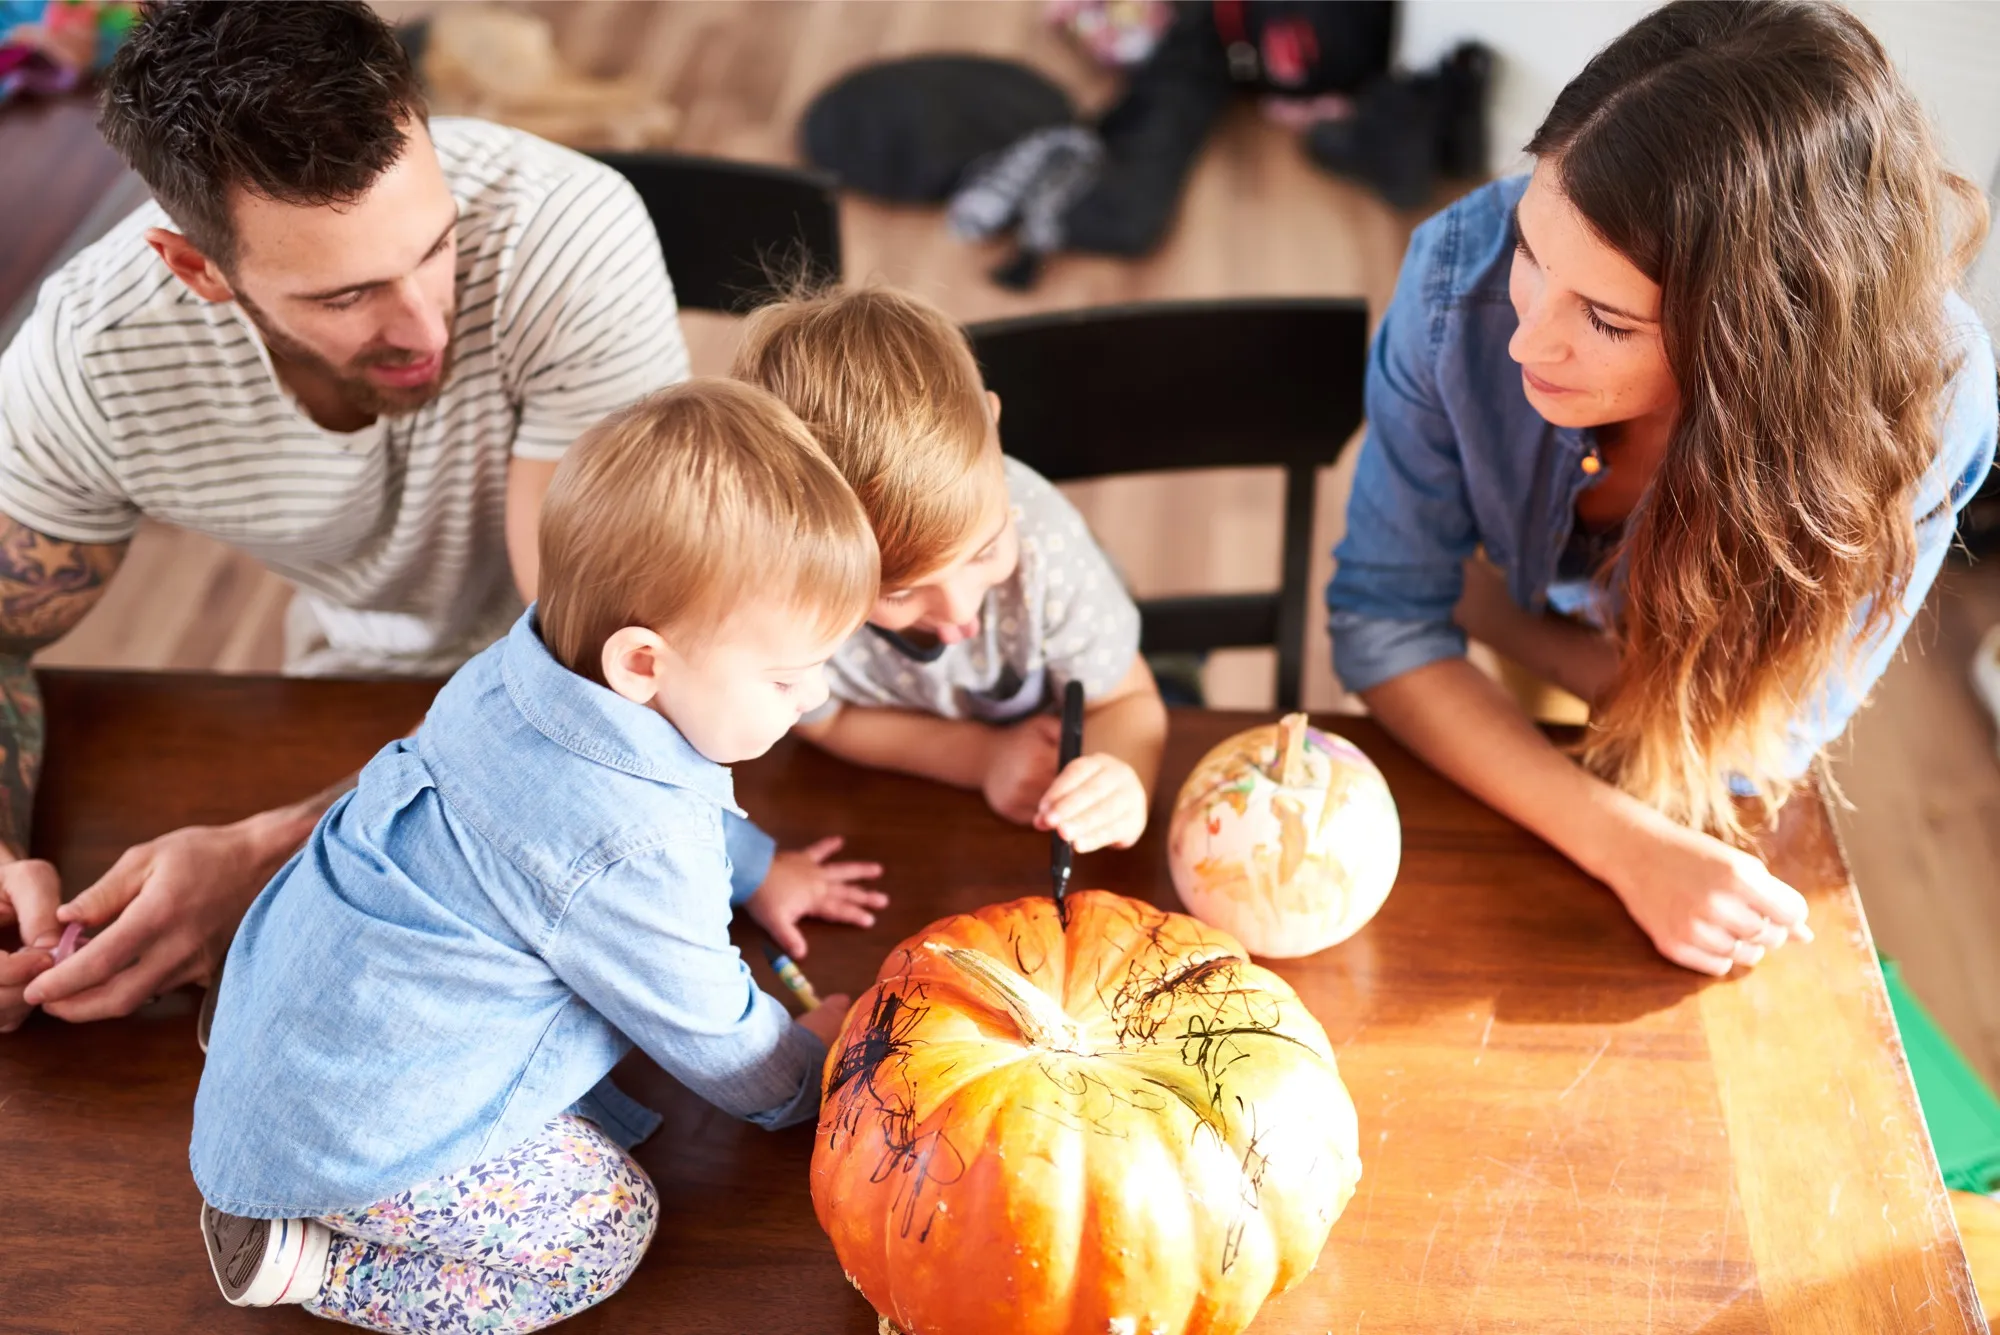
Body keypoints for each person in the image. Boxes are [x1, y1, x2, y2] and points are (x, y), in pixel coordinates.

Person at [0, 1, 874, 1033]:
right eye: (345, 295)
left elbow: (591, 695)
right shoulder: (92, 358)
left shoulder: (562, 236)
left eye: (436, 245)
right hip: (351, 696)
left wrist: (278, 855)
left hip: (634, 714)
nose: (425, 322)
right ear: (198, 270)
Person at [1327, 0, 1996, 977]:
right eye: (1529, 252)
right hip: (1645, 680)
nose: (1520, 340)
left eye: (1604, 319)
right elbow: (1382, 624)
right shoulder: (1454, 276)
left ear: (1755, 348)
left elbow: (1749, 740)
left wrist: (1493, 621)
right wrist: (1621, 841)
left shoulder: (1924, 403)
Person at [190, 378, 870, 1330]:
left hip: (302, 1023)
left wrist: (757, 867)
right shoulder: (630, 844)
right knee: (606, 1227)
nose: (813, 696)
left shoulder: (522, 670)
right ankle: (308, 1257)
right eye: (790, 675)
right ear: (643, 663)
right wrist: (813, 1071)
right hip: (366, 1138)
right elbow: (712, 1029)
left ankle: (287, 1138)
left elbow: (659, 785)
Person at [732, 285, 1169, 854]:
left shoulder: (1046, 546)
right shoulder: (790, 592)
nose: (960, 613)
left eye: (985, 551)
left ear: (993, 428)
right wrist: (981, 758)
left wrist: (1121, 781)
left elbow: (1127, 702)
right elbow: (828, 721)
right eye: (903, 591)